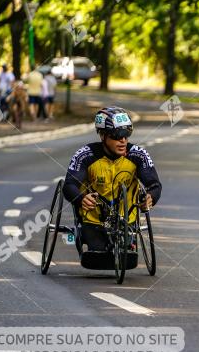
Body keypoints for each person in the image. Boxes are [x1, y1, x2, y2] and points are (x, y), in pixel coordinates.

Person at [62, 107, 162, 254]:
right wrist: (81, 199)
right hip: (94, 220)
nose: (123, 140)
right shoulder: (85, 155)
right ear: (103, 135)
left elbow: (154, 185)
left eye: (126, 135)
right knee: (99, 254)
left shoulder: (138, 155)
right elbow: (69, 185)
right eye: (117, 135)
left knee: (125, 254)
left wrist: (150, 198)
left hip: (126, 221)